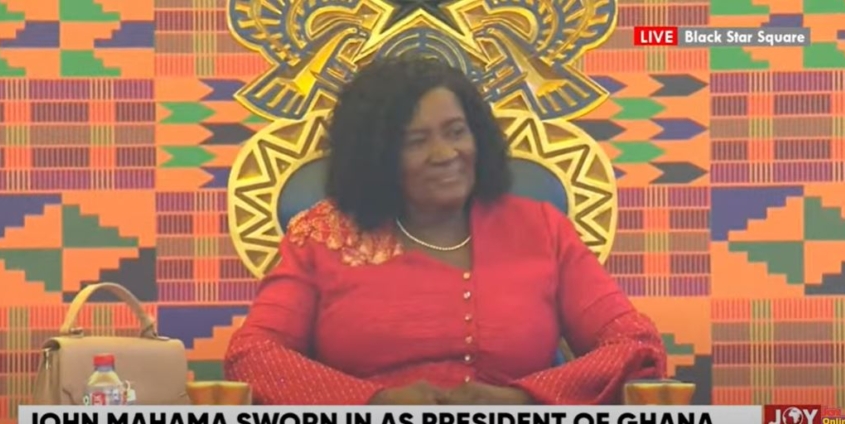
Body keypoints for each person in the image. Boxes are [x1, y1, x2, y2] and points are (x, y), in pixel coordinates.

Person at [224, 55, 667, 405]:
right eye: (416, 141)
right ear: (375, 155)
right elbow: (252, 356)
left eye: (456, 132)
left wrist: (527, 399)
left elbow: (636, 345)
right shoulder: (322, 236)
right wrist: (372, 402)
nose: (445, 154)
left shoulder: (541, 229)